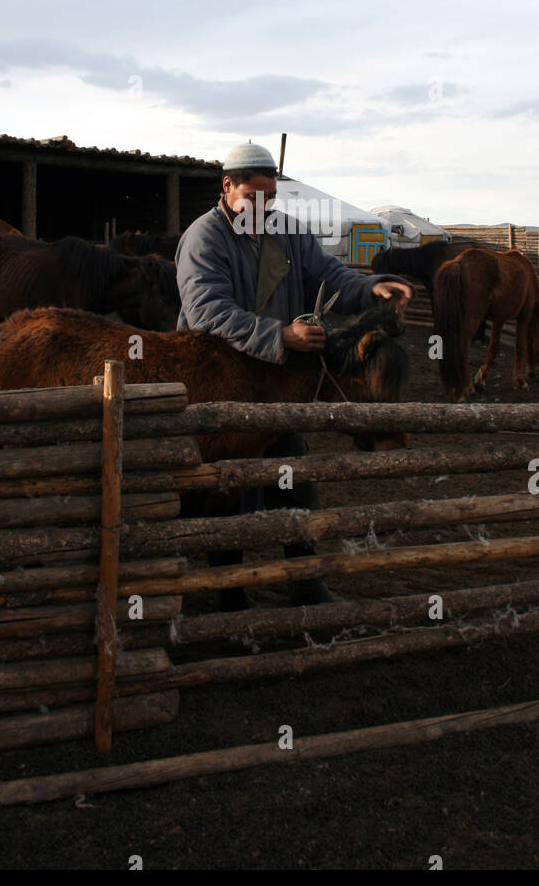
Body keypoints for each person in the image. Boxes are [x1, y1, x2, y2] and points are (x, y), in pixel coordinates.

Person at [175, 141, 413, 608]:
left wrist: (369, 287)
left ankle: (306, 581)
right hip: (220, 386)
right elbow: (205, 311)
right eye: (255, 196)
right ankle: (230, 593)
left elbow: (329, 276)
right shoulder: (204, 237)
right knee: (228, 488)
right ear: (228, 187)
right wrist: (280, 335)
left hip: (278, 384)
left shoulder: (285, 231)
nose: (265, 206)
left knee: (294, 478)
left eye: (271, 196)